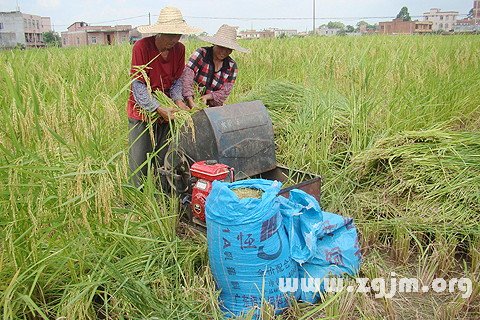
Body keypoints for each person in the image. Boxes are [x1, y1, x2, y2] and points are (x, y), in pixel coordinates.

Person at [127, 6, 200, 187]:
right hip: (143, 110)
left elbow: (176, 81)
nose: (175, 40)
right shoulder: (141, 47)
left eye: (178, 35)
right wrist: (157, 108)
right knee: (139, 159)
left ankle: (162, 195)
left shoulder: (179, 49)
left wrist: (177, 101)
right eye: (170, 35)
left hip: (168, 111)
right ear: (159, 32)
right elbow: (138, 85)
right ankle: (136, 200)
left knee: (164, 156)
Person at [178, 24, 250, 108]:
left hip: (213, 106)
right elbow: (186, 78)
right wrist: (190, 101)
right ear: (215, 44)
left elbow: (225, 91)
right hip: (190, 101)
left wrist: (207, 97)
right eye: (221, 47)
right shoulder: (201, 54)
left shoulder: (231, 66)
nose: (224, 52)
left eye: (228, 49)